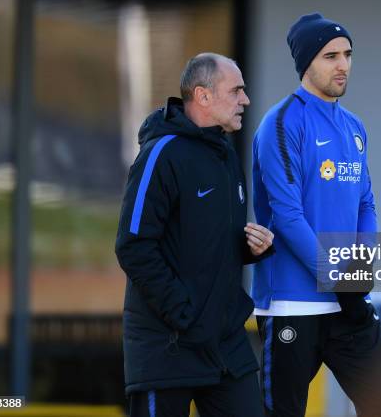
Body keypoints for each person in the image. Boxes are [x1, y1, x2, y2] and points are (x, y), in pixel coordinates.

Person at [252, 14, 381, 417]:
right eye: (330, 56)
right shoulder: (281, 123)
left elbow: (366, 204)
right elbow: (286, 216)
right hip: (293, 304)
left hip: (348, 306)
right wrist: (335, 275)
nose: (343, 65)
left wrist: (360, 267)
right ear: (306, 64)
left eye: (348, 54)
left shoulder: (354, 127)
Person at [115, 53, 274, 417]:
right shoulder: (160, 154)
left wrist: (251, 248)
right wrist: (182, 311)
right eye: (236, 91)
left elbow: (205, 241)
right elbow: (133, 245)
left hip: (225, 345)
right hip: (167, 347)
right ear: (203, 96)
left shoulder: (225, 155)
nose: (245, 101)